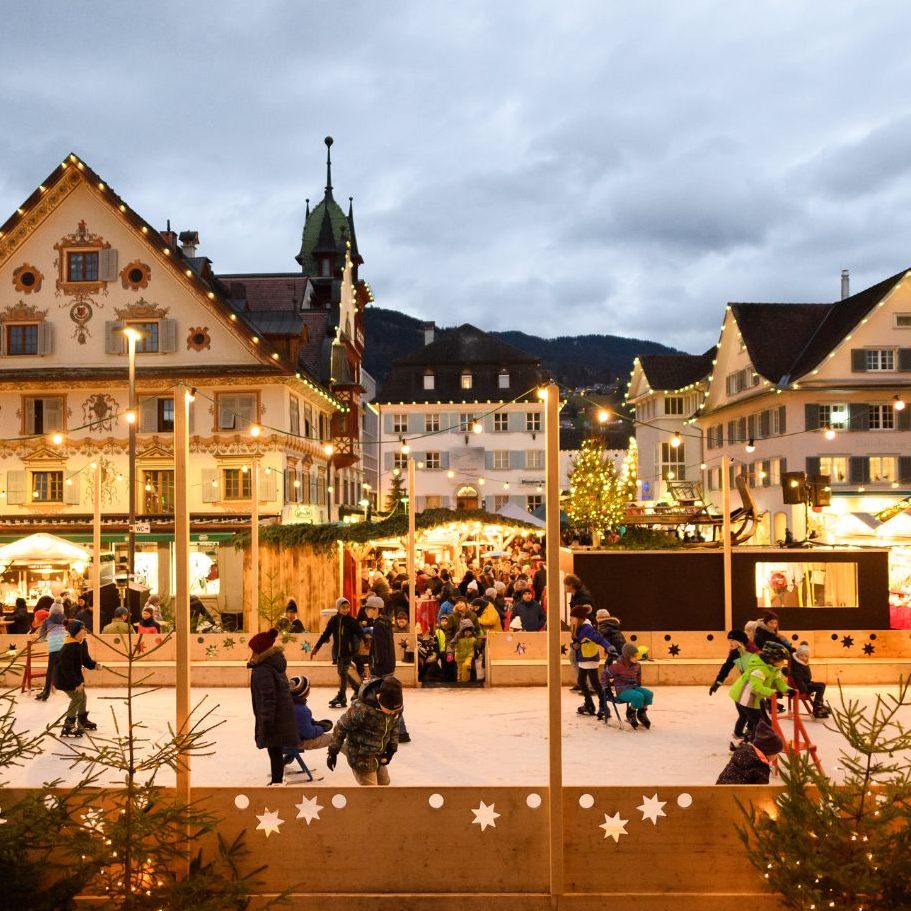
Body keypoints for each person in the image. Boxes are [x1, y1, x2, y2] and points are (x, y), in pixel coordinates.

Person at [327, 675, 403, 786]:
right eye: (390, 710)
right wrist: (332, 752)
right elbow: (341, 726)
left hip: (379, 754)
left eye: (396, 710)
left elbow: (395, 726)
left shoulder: (396, 708)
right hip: (360, 757)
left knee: (385, 784)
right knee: (372, 791)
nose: (393, 713)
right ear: (380, 699)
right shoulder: (361, 710)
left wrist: (391, 750)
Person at [247, 628, 298, 786]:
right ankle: (277, 779)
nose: (251, 653)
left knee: (274, 749)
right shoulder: (272, 664)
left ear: (260, 651)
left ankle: (277, 781)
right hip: (281, 715)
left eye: (254, 650)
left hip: (274, 717)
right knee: (275, 749)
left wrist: (266, 721)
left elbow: (268, 697)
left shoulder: (263, 670)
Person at [729, 641, 791, 750]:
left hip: (752, 698)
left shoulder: (773, 668)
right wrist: (774, 693)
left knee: (752, 719)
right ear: (772, 659)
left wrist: (788, 689)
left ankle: (740, 739)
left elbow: (778, 681)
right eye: (781, 660)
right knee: (759, 723)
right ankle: (749, 745)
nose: (783, 663)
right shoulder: (760, 669)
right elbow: (756, 687)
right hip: (745, 697)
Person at [310, 597, 362, 708]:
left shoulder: (351, 621)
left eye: (347, 607)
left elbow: (359, 632)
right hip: (338, 653)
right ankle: (357, 688)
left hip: (347, 652)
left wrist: (366, 641)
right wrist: (316, 648)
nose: (346, 610)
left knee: (342, 672)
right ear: (338, 608)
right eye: (343, 607)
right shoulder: (333, 620)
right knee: (342, 672)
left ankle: (342, 696)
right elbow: (325, 634)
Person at [56, 620, 103, 736]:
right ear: (75, 632)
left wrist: (94, 665)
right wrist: (76, 683)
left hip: (74, 676)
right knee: (77, 697)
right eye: (82, 630)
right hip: (64, 678)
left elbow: (85, 659)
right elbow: (67, 669)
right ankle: (68, 725)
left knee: (83, 697)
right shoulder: (68, 647)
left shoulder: (82, 643)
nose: (85, 631)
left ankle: (82, 720)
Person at [569, 604, 613, 717]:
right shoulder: (578, 627)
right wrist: (574, 645)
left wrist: (608, 647)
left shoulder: (587, 628)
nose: (571, 620)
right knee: (581, 681)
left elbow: (599, 638)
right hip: (583, 658)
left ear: (579, 618)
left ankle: (603, 706)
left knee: (595, 683)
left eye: (572, 617)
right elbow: (576, 642)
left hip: (590, 658)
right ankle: (589, 704)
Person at [716, 718, 783, 785]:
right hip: (739, 792)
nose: (777, 756)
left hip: (718, 789)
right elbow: (761, 789)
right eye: (776, 753)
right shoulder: (761, 767)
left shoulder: (741, 751)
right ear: (769, 753)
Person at [606, 642, 654, 730]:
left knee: (648, 694)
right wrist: (607, 688)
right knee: (638, 696)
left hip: (633, 687)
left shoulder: (637, 665)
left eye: (637, 656)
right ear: (627, 657)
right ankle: (631, 712)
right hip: (622, 690)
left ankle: (641, 712)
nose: (636, 658)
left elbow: (638, 676)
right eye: (634, 656)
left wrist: (638, 686)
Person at [287, 675, 333, 751]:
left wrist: (314, 723)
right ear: (305, 691)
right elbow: (309, 733)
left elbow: (298, 721)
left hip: (279, 740)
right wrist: (322, 728)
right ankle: (353, 757)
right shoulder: (301, 710)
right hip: (294, 743)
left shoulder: (284, 703)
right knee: (335, 738)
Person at [34, 603, 68, 701]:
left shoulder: (47, 620)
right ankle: (74, 690)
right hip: (65, 647)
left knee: (50, 670)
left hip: (54, 648)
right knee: (67, 668)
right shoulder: (65, 620)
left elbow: (41, 637)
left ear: (51, 610)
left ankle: (46, 692)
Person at [790, 641, 829, 718]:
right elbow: (798, 679)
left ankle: (819, 703)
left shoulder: (803, 664)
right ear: (797, 655)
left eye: (806, 656)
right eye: (801, 655)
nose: (803, 657)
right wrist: (803, 690)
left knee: (822, 685)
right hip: (802, 687)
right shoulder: (797, 666)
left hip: (807, 683)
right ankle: (817, 707)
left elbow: (808, 677)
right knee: (820, 687)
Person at [709, 630, 752, 695]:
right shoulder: (734, 654)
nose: (730, 643)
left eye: (732, 640)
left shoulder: (752, 652)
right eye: (729, 640)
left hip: (759, 681)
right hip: (749, 681)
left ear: (739, 641)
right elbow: (726, 669)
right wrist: (717, 683)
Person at [452, 618, 479, 683]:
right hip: (459, 656)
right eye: (466, 632)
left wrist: (478, 645)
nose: (468, 633)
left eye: (469, 631)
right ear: (462, 631)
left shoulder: (473, 636)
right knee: (460, 671)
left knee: (466, 665)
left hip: (469, 655)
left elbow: (477, 644)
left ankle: (465, 680)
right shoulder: (458, 636)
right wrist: (449, 652)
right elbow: (451, 643)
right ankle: (460, 681)